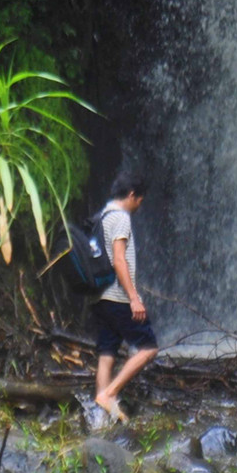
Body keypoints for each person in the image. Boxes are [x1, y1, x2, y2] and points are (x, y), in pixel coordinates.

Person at [91, 171, 158, 422]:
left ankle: (100, 416)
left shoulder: (101, 216)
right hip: (117, 296)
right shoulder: (120, 218)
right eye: (139, 200)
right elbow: (119, 259)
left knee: (107, 352)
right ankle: (110, 394)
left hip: (99, 297)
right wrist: (134, 298)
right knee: (148, 348)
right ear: (132, 195)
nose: (139, 205)